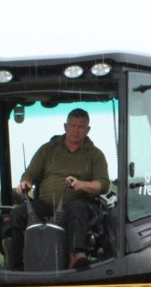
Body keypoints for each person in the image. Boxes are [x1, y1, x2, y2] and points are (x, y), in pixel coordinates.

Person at [9, 108, 110, 269]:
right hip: (45, 205)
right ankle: (16, 264)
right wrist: (25, 183)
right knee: (17, 214)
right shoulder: (48, 149)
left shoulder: (95, 155)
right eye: (72, 126)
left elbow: (103, 184)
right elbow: (29, 174)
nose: (76, 130)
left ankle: (76, 255)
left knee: (77, 209)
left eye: (81, 127)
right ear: (65, 126)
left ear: (88, 130)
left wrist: (81, 184)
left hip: (77, 205)